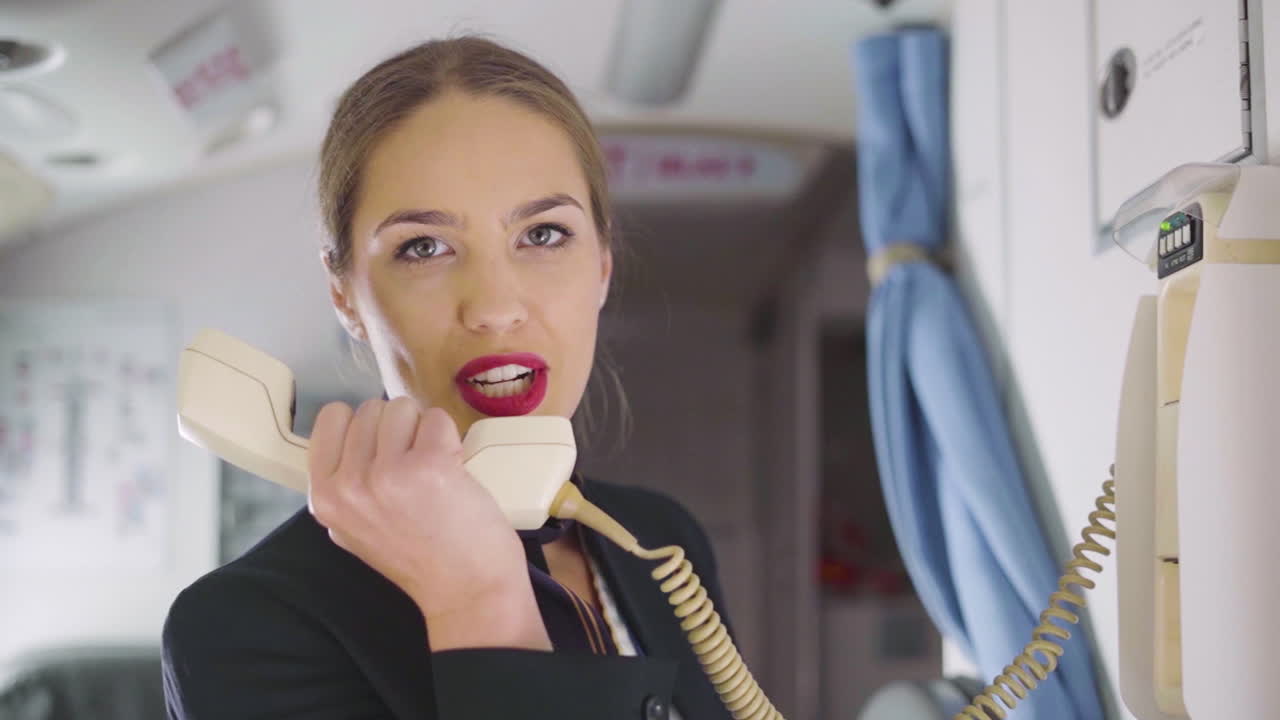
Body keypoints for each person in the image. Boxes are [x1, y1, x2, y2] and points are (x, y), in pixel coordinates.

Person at [161, 36, 737, 720]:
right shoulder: (242, 629)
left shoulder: (660, 538)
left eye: (544, 235)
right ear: (345, 294)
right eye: (424, 248)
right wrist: (476, 599)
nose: (495, 309)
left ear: (603, 265)